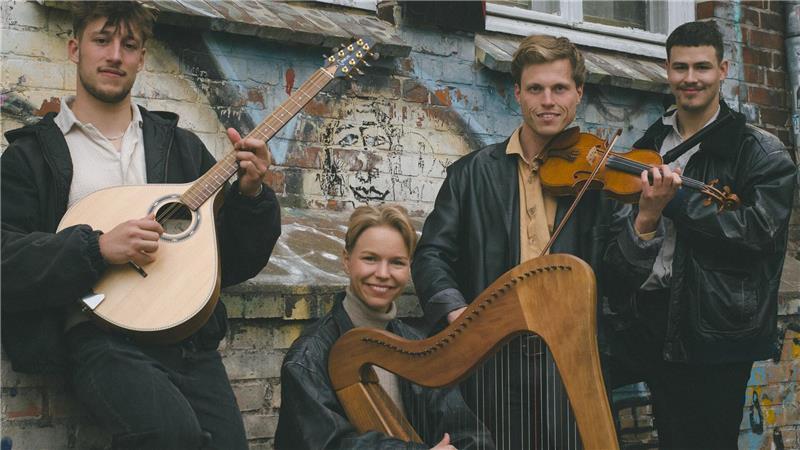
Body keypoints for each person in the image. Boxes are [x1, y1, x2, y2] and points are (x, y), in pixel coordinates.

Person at [1, 3, 281, 449]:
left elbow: (234, 260)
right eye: (102, 40)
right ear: (75, 48)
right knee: (170, 436)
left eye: (129, 45)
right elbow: (6, 260)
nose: (115, 54)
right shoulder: (31, 156)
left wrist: (251, 195)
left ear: (142, 58)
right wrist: (97, 248)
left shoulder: (181, 148)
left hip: (189, 343)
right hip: (100, 339)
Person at [601, 21, 797, 450]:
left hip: (714, 330)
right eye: (680, 67)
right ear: (666, 70)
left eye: (703, 67)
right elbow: (622, 237)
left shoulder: (760, 152)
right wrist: (645, 217)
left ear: (723, 69)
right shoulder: (649, 144)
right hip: (648, 321)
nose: (691, 78)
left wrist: (676, 201)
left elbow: (759, 232)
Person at [411, 34, 614, 449]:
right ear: (517, 94)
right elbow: (431, 255)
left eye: (559, 88)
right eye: (535, 88)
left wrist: (646, 218)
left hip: (571, 359)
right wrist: (459, 314)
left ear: (578, 93)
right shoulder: (470, 174)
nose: (548, 100)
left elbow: (622, 272)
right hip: (493, 358)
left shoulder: (601, 181)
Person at [275, 205, 494, 450]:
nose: (382, 273)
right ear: (347, 261)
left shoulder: (416, 347)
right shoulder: (308, 357)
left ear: (409, 267)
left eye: (397, 262)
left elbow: (466, 431)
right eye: (370, 259)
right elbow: (328, 444)